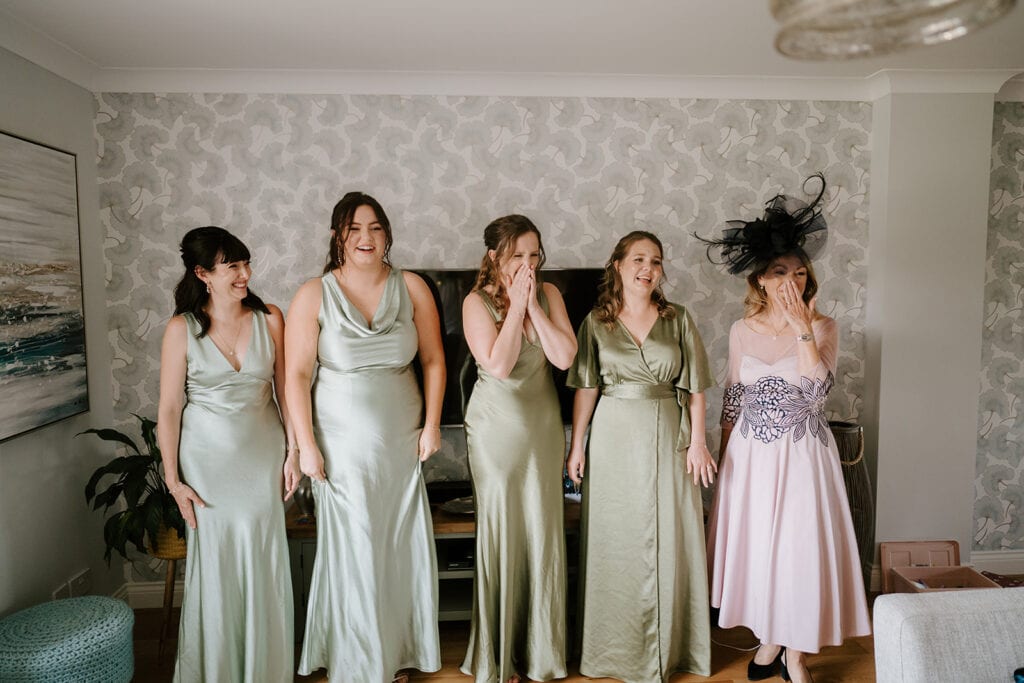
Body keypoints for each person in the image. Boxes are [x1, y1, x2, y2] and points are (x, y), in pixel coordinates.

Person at [701, 175, 871, 683]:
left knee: (798, 551)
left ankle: (795, 653)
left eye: (799, 273)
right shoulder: (741, 330)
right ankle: (769, 638)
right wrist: (724, 457)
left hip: (802, 456)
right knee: (761, 551)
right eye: (780, 272)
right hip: (751, 456)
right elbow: (733, 397)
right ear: (760, 280)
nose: (791, 282)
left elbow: (817, 395)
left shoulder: (824, 327)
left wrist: (802, 331)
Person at [286, 192, 444, 682]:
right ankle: (362, 665)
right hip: (341, 444)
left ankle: (394, 653)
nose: (366, 237)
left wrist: (432, 425)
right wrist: (306, 446)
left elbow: (434, 360)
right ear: (338, 236)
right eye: (354, 228)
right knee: (356, 546)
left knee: (397, 545)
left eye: (375, 227)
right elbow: (296, 376)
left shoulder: (412, 287)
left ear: (387, 234)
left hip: (402, 439)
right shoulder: (313, 293)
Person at [566, 230, 715, 683]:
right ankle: (613, 651)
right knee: (616, 537)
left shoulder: (678, 318)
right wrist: (576, 445)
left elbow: (695, 387)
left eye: (655, 261)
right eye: (638, 259)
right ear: (618, 265)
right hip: (613, 435)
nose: (648, 268)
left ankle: (674, 648)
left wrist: (699, 442)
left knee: (671, 533)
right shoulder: (596, 322)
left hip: (669, 433)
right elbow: (587, 387)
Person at [157, 226, 299, 683]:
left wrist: (295, 451)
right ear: (202, 274)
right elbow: (169, 408)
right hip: (207, 465)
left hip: (263, 457)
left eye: (245, 263)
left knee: (263, 558)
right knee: (217, 564)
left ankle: (265, 671)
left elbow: (287, 392)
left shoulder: (271, 318)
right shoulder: (180, 329)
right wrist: (174, 481)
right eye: (232, 266)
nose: (245, 274)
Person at [460, 215, 577, 683]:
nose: (527, 264)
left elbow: (565, 357)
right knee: (503, 532)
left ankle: (541, 654)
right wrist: (514, 309)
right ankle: (501, 655)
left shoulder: (550, 294)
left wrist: (534, 309)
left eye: (533, 255)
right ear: (494, 257)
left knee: (543, 530)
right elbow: (500, 366)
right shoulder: (475, 303)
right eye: (516, 256)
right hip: (496, 430)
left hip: (543, 426)